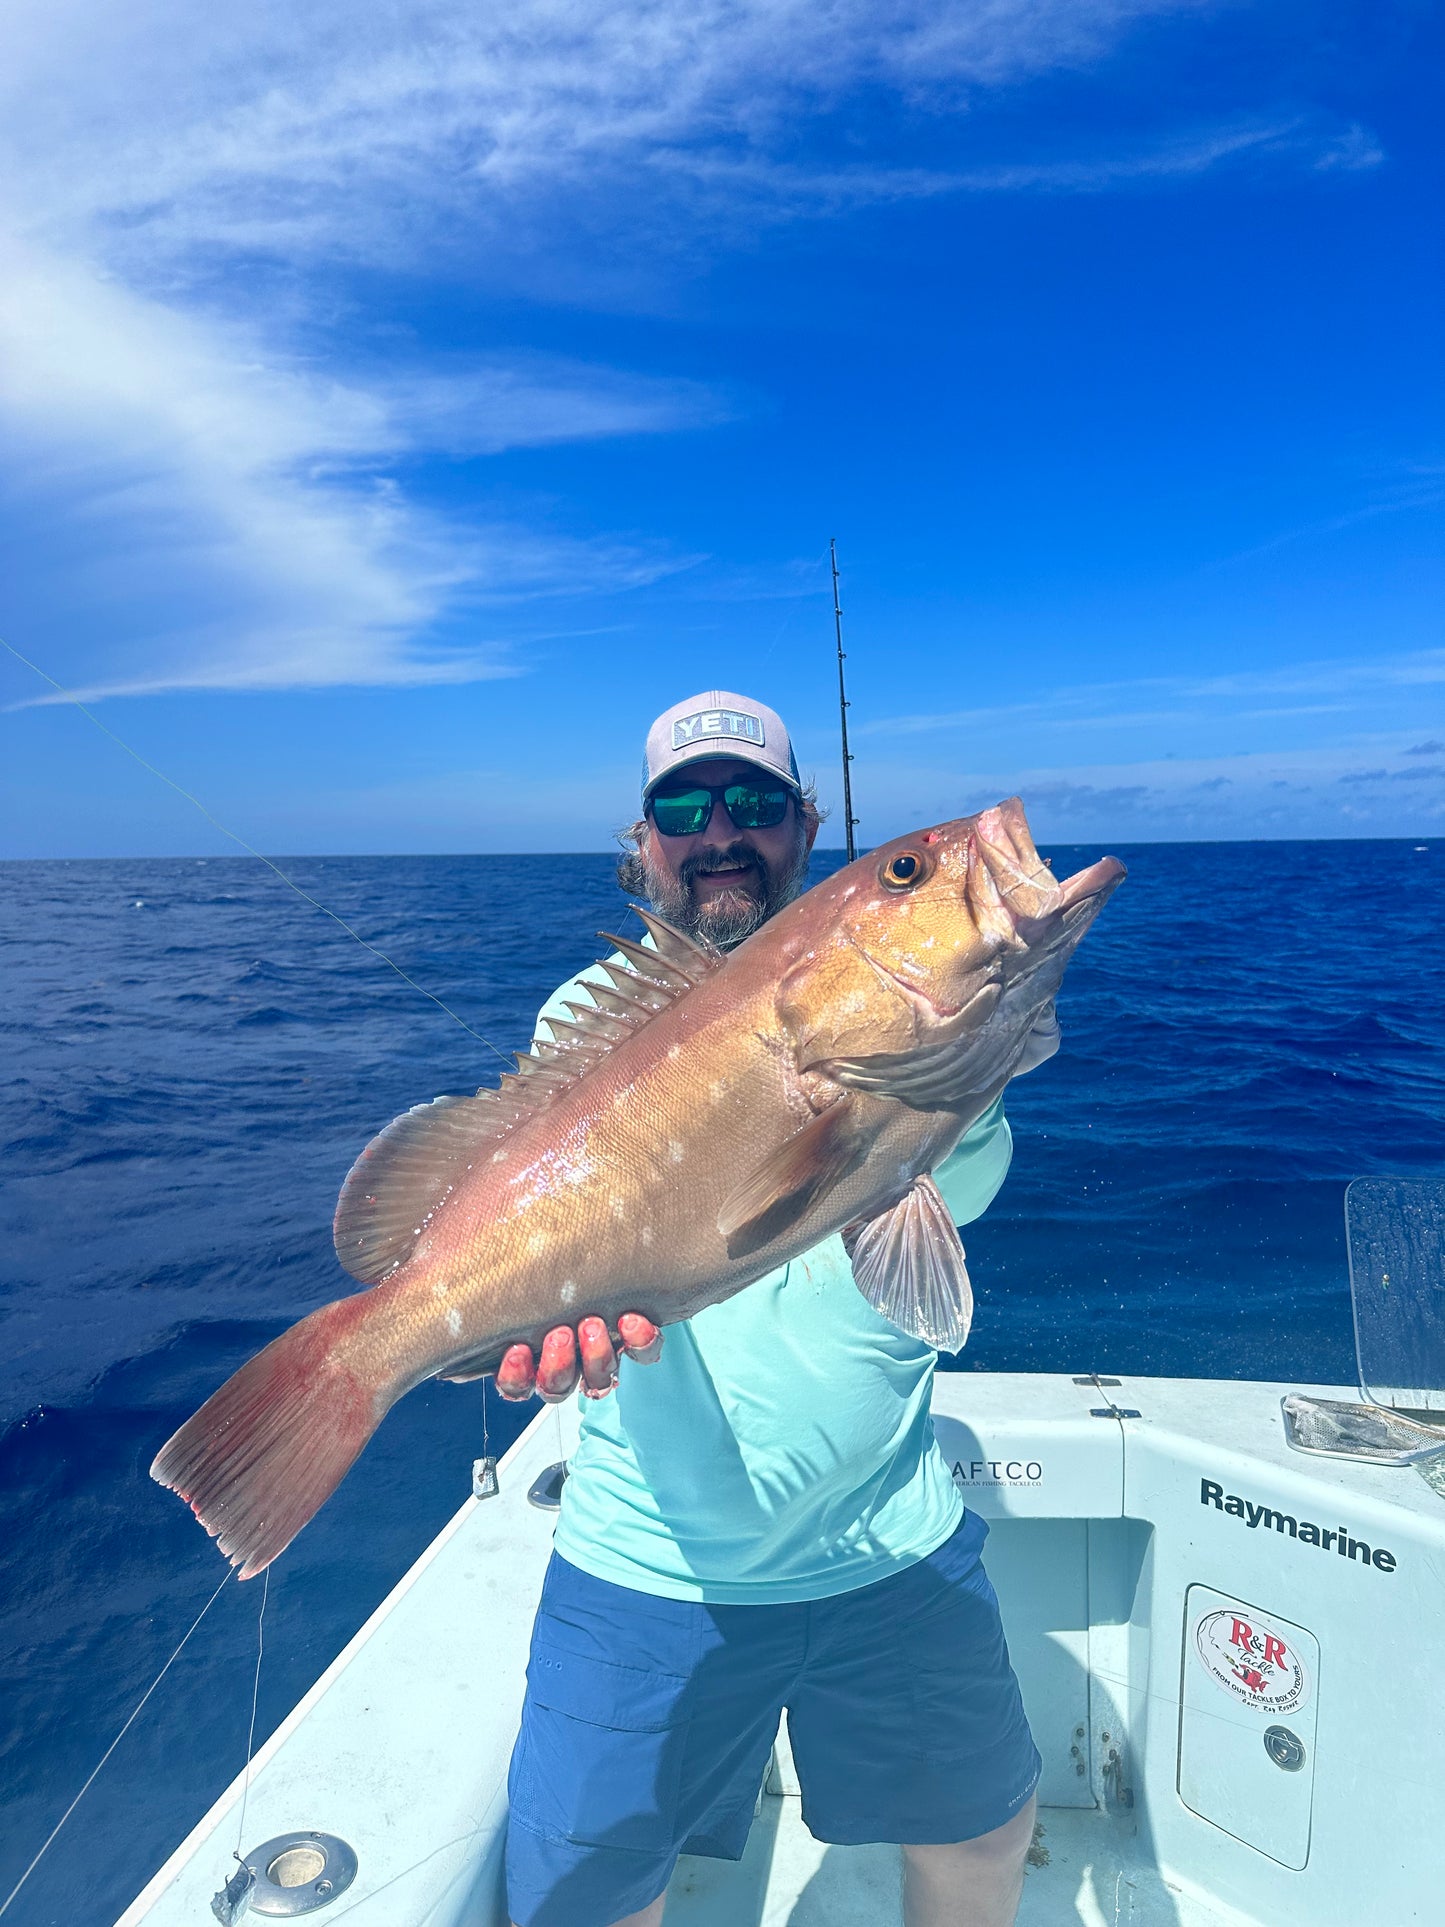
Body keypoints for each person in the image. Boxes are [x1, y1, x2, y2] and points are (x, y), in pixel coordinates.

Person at [495, 691, 1042, 1927]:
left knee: (982, 1834)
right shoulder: (581, 1018)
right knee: (585, 1895)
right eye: (681, 808)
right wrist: (557, 1326)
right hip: (648, 1561)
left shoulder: (910, 1018)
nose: (718, 832)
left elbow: (955, 1182)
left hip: (888, 1539)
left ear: (803, 826)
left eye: (752, 802)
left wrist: (978, 1013)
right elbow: (554, 1232)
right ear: (642, 841)